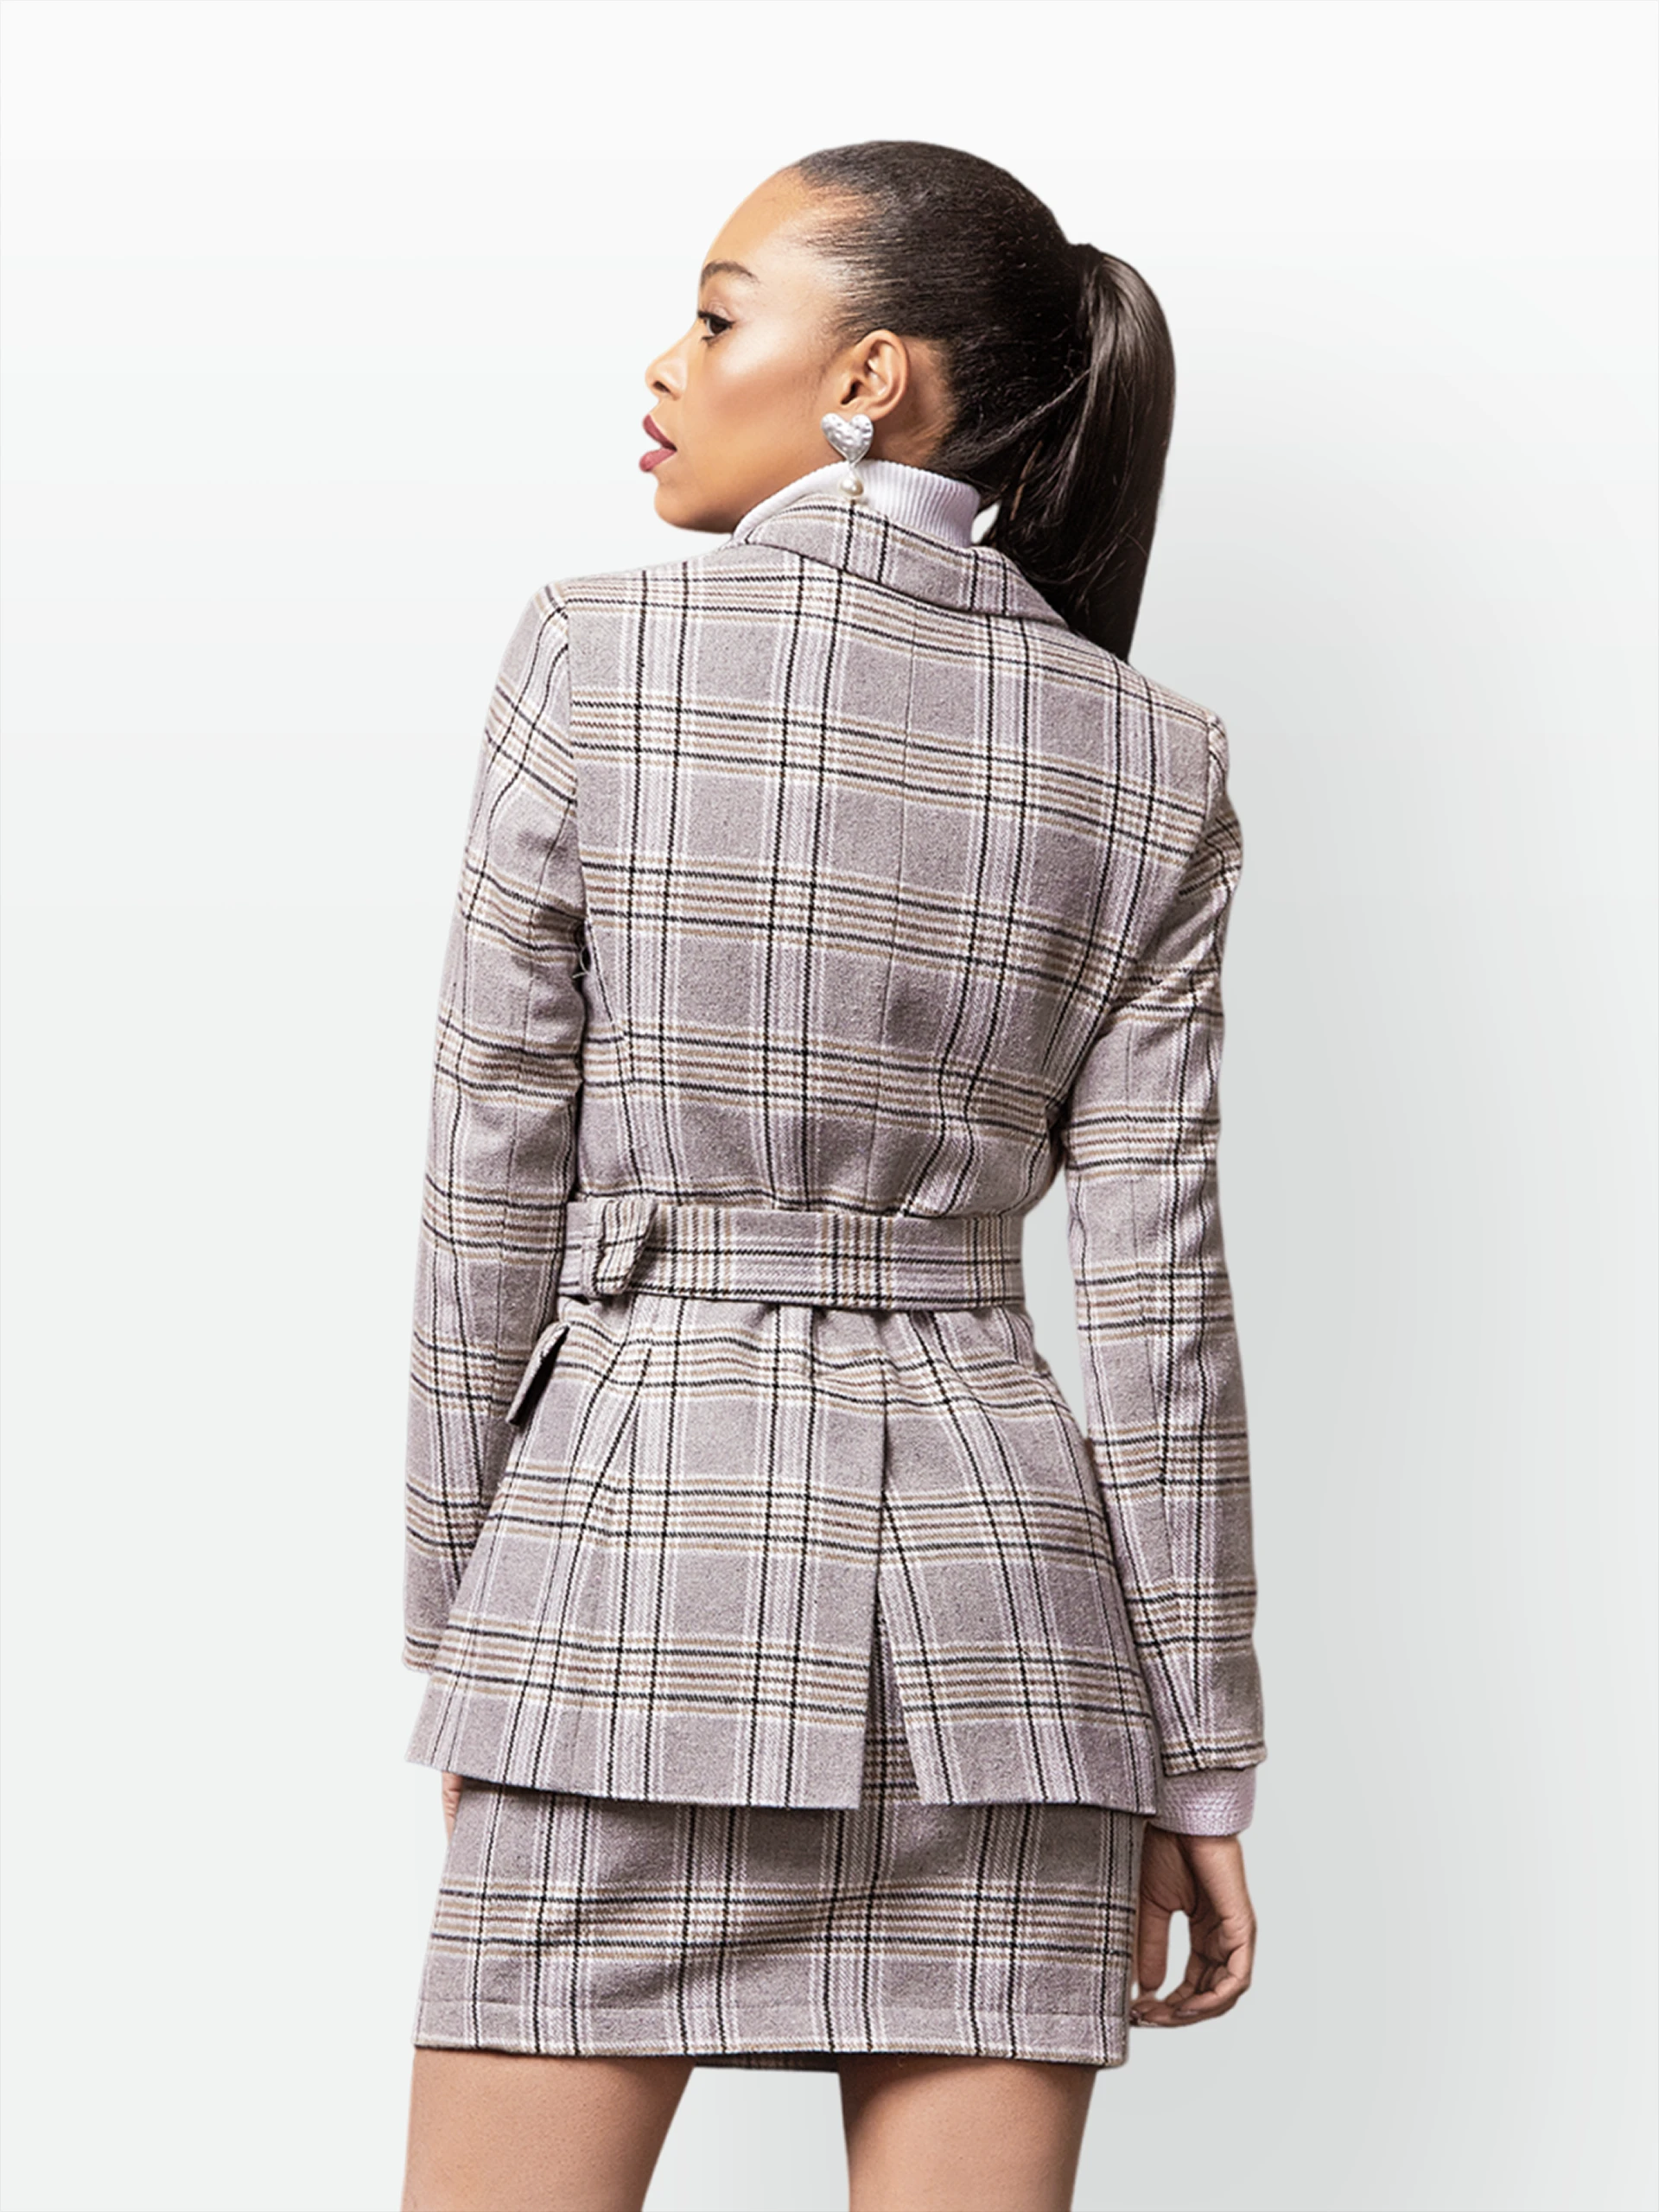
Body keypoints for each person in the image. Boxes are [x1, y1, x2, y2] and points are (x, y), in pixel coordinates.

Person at [399, 139, 1266, 2212]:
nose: (668, 361)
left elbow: (489, 1170)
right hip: (1015, 1651)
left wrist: (464, 1631)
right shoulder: (1156, 754)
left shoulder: (596, 651)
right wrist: (1201, 1751)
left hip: (628, 1577)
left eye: (718, 314)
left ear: (870, 377)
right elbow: (1159, 1300)